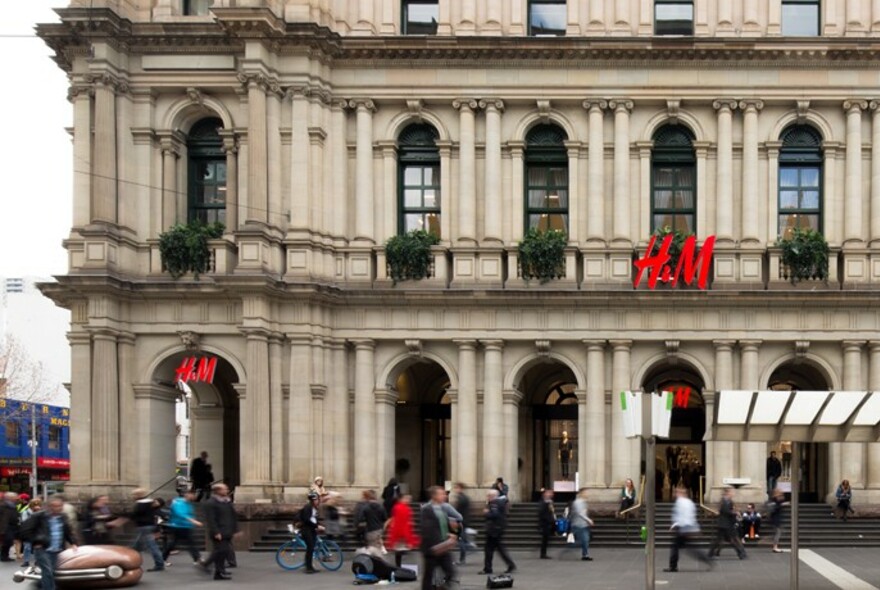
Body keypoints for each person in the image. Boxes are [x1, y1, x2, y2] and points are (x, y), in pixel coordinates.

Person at [20, 497, 77, 590]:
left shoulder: (63, 516)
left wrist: (73, 543)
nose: (57, 508)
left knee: (52, 572)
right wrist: (36, 542)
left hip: (57, 549)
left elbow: (67, 531)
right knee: (48, 571)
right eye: (54, 506)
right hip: (42, 548)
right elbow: (25, 530)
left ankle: (41, 585)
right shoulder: (38, 516)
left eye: (59, 506)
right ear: (48, 507)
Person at [664, 487, 712, 573]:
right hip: (687, 528)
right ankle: (707, 559)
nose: (676, 494)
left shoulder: (680, 502)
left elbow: (681, 517)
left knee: (675, 547)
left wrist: (674, 525)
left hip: (683, 528)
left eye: (677, 492)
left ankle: (673, 567)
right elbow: (691, 516)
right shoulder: (690, 503)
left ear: (682, 493)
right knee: (691, 548)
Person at [420, 485, 458, 590]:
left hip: (443, 547)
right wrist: (439, 544)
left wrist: (450, 533)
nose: (444, 496)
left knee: (450, 572)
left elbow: (442, 525)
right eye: (441, 494)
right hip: (432, 548)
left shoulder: (442, 508)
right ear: (434, 496)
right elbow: (428, 529)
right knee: (428, 575)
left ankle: (442, 588)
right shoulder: (426, 509)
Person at [202, 482, 237, 581]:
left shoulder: (227, 501)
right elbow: (211, 519)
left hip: (227, 531)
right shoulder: (210, 503)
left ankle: (220, 571)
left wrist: (235, 529)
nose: (227, 490)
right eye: (224, 489)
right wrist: (216, 532)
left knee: (224, 552)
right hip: (219, 532)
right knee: (220, 551)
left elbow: (232, 516)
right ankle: (206, 564)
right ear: (217, 491)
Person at [479, 489, 516, 575]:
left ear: (492, 496)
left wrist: (486, 513)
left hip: (494, 530)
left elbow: (495, 515)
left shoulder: (494, 503)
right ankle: (510, 564)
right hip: (498, 528)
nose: (487, 497)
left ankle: (488, 569)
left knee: (489, 549)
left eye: (488, 496)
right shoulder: (500, 503)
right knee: (499, 548)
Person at [129, 489, 165, 572]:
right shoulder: (150, 503)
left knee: (152, 546)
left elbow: (134, 515)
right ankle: (131, 560)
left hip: (144, 526)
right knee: (137, 546)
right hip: (149, 525)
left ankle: (159, 564)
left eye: (134, 495)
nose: (132, 496)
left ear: (138, 495)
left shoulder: (141, 504)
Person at [163, 491, 202, 566]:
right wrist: (193, 521)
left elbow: (190, 513)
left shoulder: (189, 503)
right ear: (187, 495)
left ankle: (197, 558)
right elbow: (180, 514)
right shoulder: (178, 503)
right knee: (174, 543)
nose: (194, 497)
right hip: (177, 526)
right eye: (193, 495)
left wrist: (192, 521)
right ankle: (162, 559)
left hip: (186, 526)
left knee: (190, 543)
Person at [708, 487, 746, 560]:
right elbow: (726, 511)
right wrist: (735, 513)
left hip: (727, 524)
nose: (733, 494)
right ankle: (741, 553)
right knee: (729, 540)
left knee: (724, 540)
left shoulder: (729, 501)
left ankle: (741, 553)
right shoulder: (724, 501)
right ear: (727, 493)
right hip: (724, 524)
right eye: (731, 492)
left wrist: (734, 514)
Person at [386, 492, 419, 567]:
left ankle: (399, 566)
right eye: (406, 498)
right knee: (400, 551)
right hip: (402, 531)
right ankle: (399, 566)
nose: (408, 500)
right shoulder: (402, 508)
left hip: (401, 531)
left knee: (399, 551)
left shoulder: (400, 507)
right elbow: (400, 522)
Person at [354, 489, 387, 557]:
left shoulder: (366, 507)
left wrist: (357, 525)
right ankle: (378, 559)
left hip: (370, 529)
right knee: (376, 546)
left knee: (372, 547)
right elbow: (384, 518)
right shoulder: (381, 507)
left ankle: (374, 560)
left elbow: (360, 518)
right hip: (379, 529)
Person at [298, 491, 324, 574]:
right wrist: (316, 526)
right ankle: (308, 568)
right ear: (312, 500)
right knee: (310, 548)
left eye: (318, 499)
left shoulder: (314, 508)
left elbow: (314, 519)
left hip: (311, 530)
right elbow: (307, 520)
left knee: (311, 548)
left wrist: (319, 525)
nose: (318, 501)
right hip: (306, 530)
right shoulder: (308, 507)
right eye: (316, 500)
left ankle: (309, 566)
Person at [569, 488, 594, 562]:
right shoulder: (577, 502)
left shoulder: (583, 502)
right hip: (577, 524)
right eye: (585, 493)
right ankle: (573, 547)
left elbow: (584, 512)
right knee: (584, 539)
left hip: (583, 524)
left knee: (586, 539)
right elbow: (580, 513)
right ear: (581, 493)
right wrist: (589, 520)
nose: (587, 494)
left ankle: (585, 555)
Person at [451, 483, 473, 565]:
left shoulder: (461, 499)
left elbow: (457, 512)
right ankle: (469, 546)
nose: (455, 490)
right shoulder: (464, 498)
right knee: (462, 540)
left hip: (461, 522)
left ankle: (462, 559)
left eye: (456, 488)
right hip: (464, 521)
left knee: (461, 541)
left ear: (460, 488)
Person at [19, 498, 41, 569]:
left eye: (38, 504)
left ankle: (37, 561)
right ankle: (26, 561)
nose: (36, 506)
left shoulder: (41, 512)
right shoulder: (26, 512)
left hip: (37, 532)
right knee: (27, 547)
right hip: (29, 532)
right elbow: (25, 522)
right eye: (35, 505)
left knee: (37, 547)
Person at [0, 492, 20, 561]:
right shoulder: (3, 506)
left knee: (9, 541)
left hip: (13, 526)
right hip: (5, 526)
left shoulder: (13, 506)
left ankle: (5, 555)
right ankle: (3, 556)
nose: (16, 498)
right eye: (14, 497)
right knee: (7, 540)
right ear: (10, 498)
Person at [538, 488, 556, 559]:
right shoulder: (543, 502)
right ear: (545, 493)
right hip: (545, 523)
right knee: (545, 539)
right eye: (550, 493)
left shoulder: (549, 502)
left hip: (548, 523)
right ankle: (543, 554)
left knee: (546, 539)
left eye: (552, 493)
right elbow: (541, 512)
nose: (551, 494)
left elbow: (551, 511)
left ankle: (543, 553)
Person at [768, 488, 787, 553]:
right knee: (778, 533)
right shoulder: (774, 500)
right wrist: (781, 504)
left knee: (778, 532)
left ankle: (775, 546)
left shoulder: (777, 500)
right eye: (780, 493)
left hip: (777, 518)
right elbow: (775, 508)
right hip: (775, 519)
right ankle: (775, 547)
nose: (781, 494)